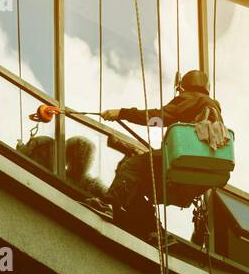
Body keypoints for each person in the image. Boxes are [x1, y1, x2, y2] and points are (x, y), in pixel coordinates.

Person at [96, 69, 230, 237]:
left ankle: (107, 204)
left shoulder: (192, 98)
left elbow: (159, 118)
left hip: (185, 160)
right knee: (134, 185)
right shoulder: (212, 108)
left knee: (130, 166)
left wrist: (123, 113)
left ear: (185, 87)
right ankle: (155, 231)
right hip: (197, 178)